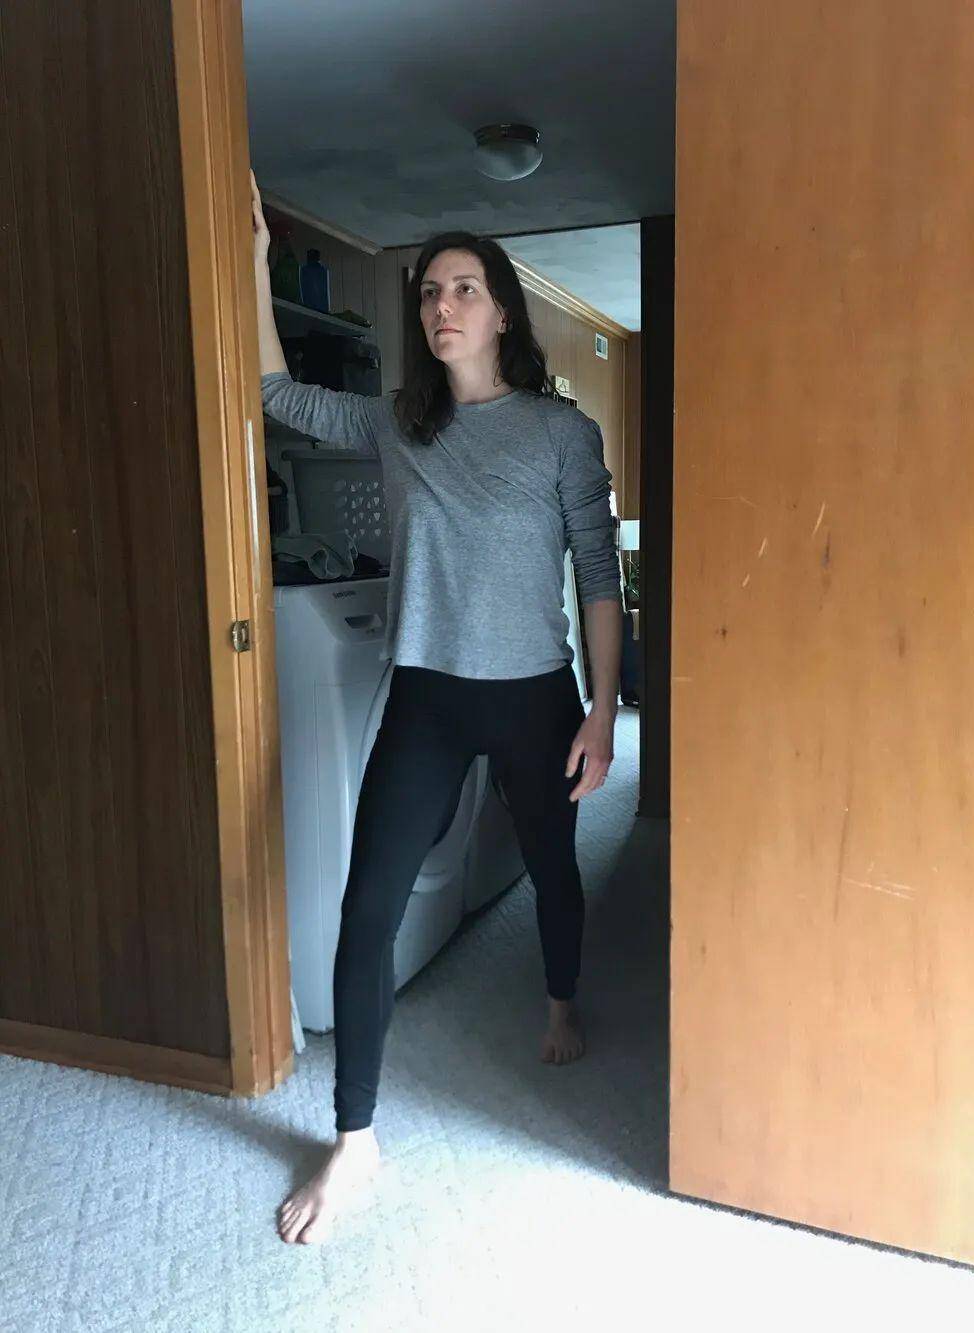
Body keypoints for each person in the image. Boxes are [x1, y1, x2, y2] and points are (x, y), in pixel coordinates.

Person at [250, 171, 623, 1244]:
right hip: (424, 698)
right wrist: (255, 259)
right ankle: (353, 1136)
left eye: (463, 288)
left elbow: (599, 576)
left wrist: (602, 713)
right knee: (367, 907)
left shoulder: (560, 433)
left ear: (502, 312)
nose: (441, 305)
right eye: (427, 292)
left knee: (554, 866)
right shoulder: (395, 424)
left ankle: (560, 998)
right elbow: (277, 395)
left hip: (533, 696)